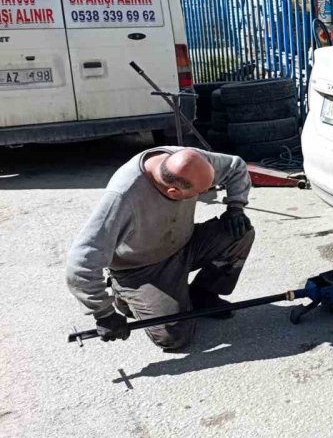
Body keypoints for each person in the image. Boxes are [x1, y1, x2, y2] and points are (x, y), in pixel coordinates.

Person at [66, 146, 254, 351]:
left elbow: (236, 166)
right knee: (174, 336)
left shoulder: (191, 161)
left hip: (184, 244)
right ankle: (124, 294)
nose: (206, 195)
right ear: (173, 191)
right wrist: (104, 313)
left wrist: (236, 207)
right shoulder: (123, 197)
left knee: (240, 233)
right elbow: (81, 263)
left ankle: (202, 295)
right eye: (200, 192)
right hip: (141, 269)